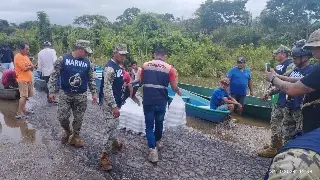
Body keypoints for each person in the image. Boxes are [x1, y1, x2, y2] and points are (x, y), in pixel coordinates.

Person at [266, 29, 320, 134]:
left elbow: (292, 89)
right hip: (292, 108)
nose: (312, 51)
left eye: (314, 47)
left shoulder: (315, 69)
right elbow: (303, 80)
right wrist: (279, 78)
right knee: (288, 134)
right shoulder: (298, 69)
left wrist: (273, 78)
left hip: (308, 116)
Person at [47, 40, 97, 148]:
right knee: (62, 117)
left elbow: (91, 79)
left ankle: (76, 136)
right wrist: (51, 91)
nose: (87, 54)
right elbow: (53, 76)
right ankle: (67, 131)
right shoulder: (63, 59)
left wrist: (94, 93)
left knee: (79, 118)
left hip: (81, 95)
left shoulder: (88, 62)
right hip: (65, 93)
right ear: (79, 49)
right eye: (86, 51)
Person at [140, 47, 181, 163]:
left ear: (154, 54)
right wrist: (178, 91)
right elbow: (173, 87)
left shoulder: (145, 65)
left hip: (148, 100)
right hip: (161, 101)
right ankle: (157, 141)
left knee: (149, 125)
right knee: (159, 123)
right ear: (165, 56)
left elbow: (142, 81)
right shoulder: (170, 69)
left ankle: (152, 150)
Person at [258, 45, 295, 158]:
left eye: (276, 53)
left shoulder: (291, 64)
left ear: (283, 54)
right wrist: (268, 90)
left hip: (285, 100)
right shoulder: (279, 65)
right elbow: (272, 81)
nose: (275, 55)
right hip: (276, 98)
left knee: (284, 125)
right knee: (275, 123)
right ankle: (275, 145)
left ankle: (276, 148)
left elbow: (284, 79)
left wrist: (274, 75)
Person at [99, 44, 128, 171]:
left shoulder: (118, 67)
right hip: (110, 104)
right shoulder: (110, 68)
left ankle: (116, 143)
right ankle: (104, 157)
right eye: (121, 54)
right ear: (114, 53)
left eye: (124, 54)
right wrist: (114, 106)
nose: (123, 56)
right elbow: (107, 89)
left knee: (114, 125)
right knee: (109, 130)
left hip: (116, 102)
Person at [14, 43, 34, 119]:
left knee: (26, 96)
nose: (28, 51)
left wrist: (30, 66)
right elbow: (24, 68)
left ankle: (24, 110)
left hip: (28, 79)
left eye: (28, 49)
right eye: (26, 49)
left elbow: (31, 66)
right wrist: (30, 67)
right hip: (22, 79)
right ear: (21, 49)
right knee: (23, 96)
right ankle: (19, 112)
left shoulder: (26, 57)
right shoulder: (17, 56)